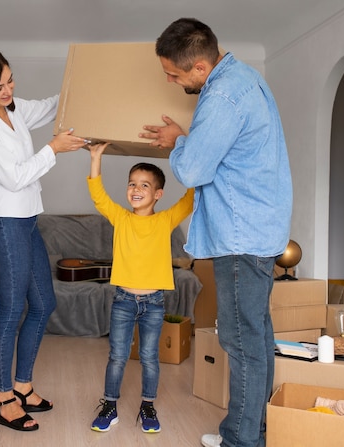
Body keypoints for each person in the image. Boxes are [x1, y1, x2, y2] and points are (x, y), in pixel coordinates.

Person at [139, 18, 293, 447]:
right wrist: (188, 136)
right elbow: (224, 150)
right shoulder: (244, 78)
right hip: (258, 229)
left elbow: (191, 169)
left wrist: (178, 144)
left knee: (242, 342)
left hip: (242, 235)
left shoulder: (222, 96)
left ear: (201, 67)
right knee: (256, 337)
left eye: (174, 73)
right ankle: (251, 432)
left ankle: (241, 442)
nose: (170, 81)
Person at [0, 47, 87, 432]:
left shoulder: (11, 110)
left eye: (10, 80)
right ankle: (3, 396)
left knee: (43, 303)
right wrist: (53, 148)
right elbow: (14, 178)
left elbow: (46, 107)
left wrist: (84, 86)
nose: (8, 90)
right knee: (11, 310)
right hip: (3, 223)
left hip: (26, 218)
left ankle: (23, 386)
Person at [87, 142, 194, 434]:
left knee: (149, 358)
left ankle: (148, 405)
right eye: (132, 184)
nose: (136, 189)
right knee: (117, 356)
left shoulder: (165, 220)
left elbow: (190, 197)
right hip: (123, 300)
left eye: (144, 185)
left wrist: (191, 152)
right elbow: (98, 196)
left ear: (158, 194)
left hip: (154, 303)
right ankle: (110, 406)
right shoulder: (120, 218)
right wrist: (96, 158)